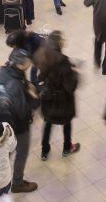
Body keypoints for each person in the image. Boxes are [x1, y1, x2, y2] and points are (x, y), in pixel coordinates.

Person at [0, 49, 40, 193]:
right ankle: (17, 183)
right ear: (21, 64)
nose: (31, 63)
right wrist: (34, 98)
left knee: (5, 151)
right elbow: (23, 111)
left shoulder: (3, 71)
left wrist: (26, 86)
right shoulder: (16, 84)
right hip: (17, 125)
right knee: (22, 151)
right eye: (29, 61)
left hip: (0, 117)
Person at [33, 30, 81, 160]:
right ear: (58, 43)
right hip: (63, 101)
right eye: (62, 40)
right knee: (66, 124)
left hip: (48, 100)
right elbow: (70, 86)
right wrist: (75, 73)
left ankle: (44, 150)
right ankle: (67, 148)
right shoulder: (64, 61)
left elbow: (39, 78)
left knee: (48, 123)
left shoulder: (43, 57)